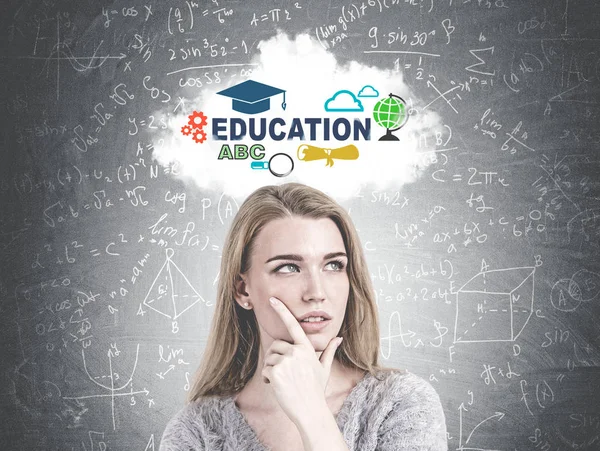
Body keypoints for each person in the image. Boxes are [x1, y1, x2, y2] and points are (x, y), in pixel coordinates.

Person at [159, 182, 448, 451]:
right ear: (243, 290)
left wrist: (313, 415)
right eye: (288, 268)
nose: (316, 292)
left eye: (334, 265)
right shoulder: (195, 431)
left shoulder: (401, 404)